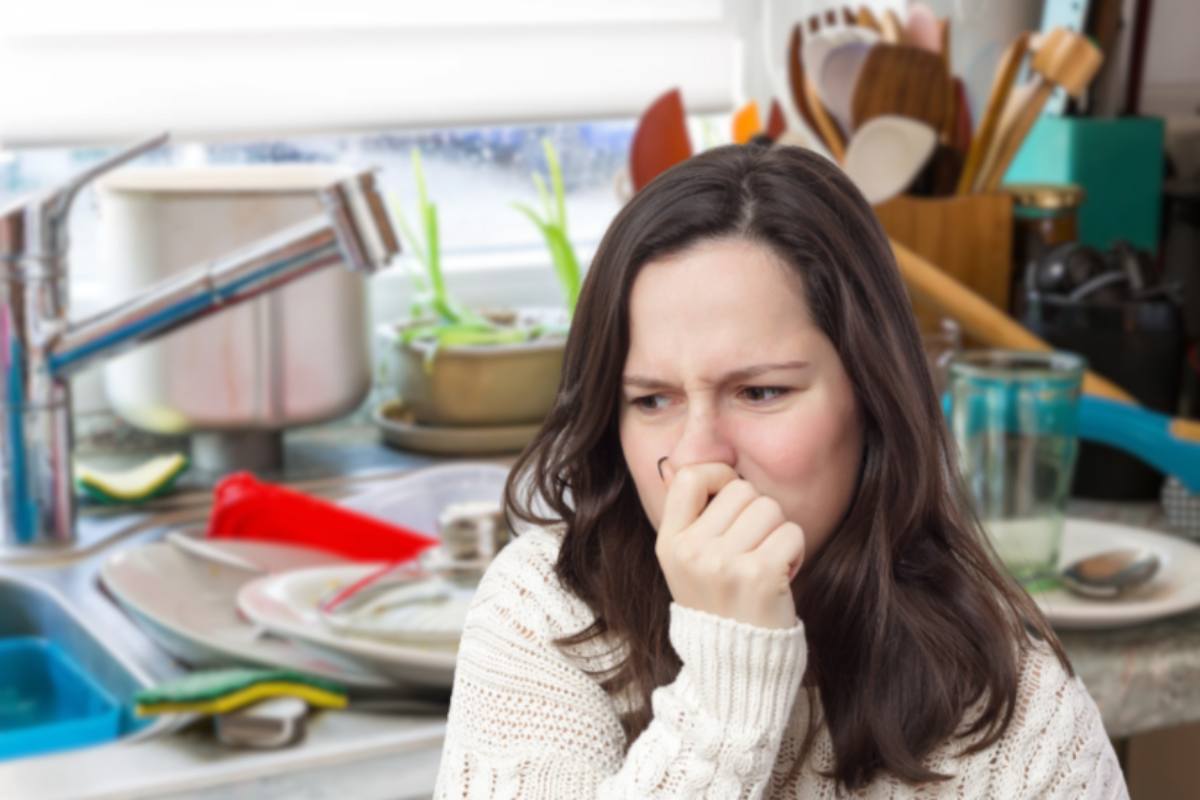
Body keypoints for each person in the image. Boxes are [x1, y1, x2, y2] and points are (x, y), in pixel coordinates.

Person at [432, 143, 1128, 798]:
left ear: (873, 397)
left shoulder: (1025, 718)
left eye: (760, 392)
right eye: (652, 400)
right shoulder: (539, 614)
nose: (701, 455)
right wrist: (728, 683)